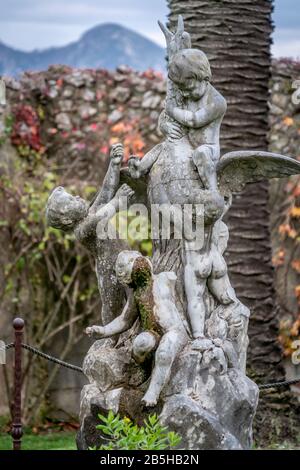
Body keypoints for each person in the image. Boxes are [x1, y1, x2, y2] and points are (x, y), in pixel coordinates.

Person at [86, 250, 188, 407]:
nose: (138, 265)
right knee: (140, 344)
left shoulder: (166, 278)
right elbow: (124, 320)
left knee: (164, 352)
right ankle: (144, 368)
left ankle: (152, 393)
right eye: (132, 264)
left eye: (137, 260)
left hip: (174, 330)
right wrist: (104, 331)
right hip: (153, 332)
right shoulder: (136, 295)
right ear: (129, 278)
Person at [46, 143, 134, 326]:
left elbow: (106, 191)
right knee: (112, 306)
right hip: (109, 268)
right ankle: (110, 340)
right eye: (71, 200)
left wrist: (114, 164)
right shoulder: (81, 230)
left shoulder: (89, 212)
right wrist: (118, 202)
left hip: (126, 257)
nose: (77, 197)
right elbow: (102, 215)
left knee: (135, 294)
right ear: (67, 220)